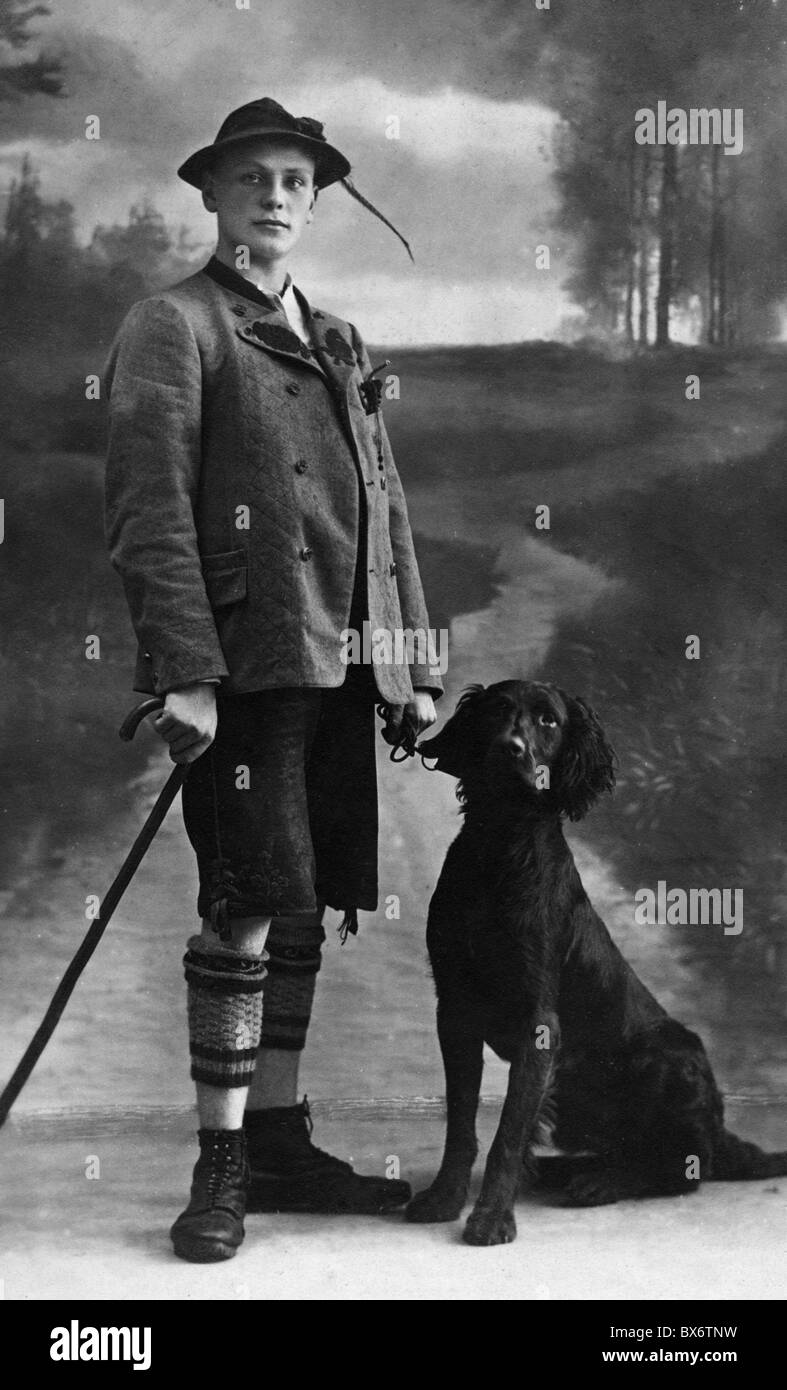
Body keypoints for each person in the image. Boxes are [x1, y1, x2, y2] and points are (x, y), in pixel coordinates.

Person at [104, 97, 442, 1263]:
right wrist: (183, 675)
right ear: (211, 193)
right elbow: (150, 517)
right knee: (246, 899)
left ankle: (285, 1138)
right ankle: (224, 1163)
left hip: (340, 666)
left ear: (316, 197)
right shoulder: (175, 327)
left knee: (305, 896)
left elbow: (386, 507)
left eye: (296, 178)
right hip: (245, 673)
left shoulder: (341, 338)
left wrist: (407, 661)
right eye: (251, 175)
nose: (276, 194)